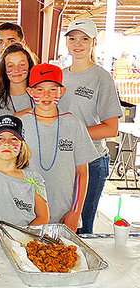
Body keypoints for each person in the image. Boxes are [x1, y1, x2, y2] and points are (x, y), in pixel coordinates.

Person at [15, 63, 99, 232]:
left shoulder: (74, 124)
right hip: (26, 216)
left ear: (62, 91)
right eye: (39, 89)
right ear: (30, 92)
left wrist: (75, 212)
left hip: (64, 216)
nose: (46, 95)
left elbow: (82, 172)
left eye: (53, 89)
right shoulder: (20, 125)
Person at [59, 18, 122, 234]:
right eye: (73, 38)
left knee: (82, 227)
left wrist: (72, 134)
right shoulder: (60, 77)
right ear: (66, 42)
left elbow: (111, 128)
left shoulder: (101, 78)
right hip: (63, 161)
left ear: (93, 42)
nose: (78, 44)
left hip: (92, 161)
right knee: (60, 224)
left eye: (84, 39)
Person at [0, 43, 36, 122]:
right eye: (11, 66)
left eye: (21, 64)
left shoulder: (41, 97)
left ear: (29, 66)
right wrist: (16, 117)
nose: (16, 70)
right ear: (4, 70)